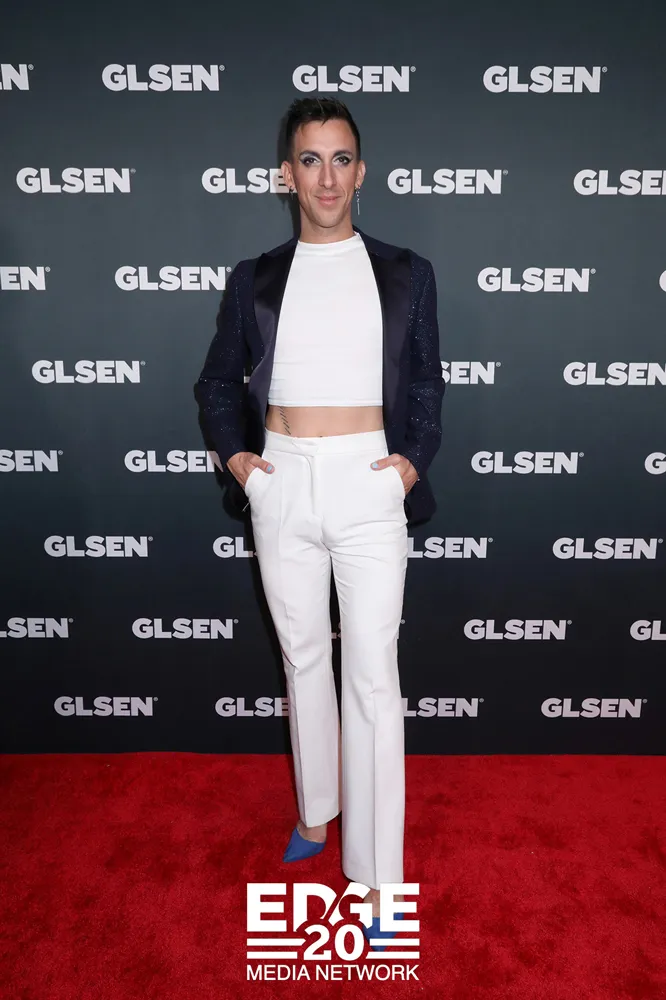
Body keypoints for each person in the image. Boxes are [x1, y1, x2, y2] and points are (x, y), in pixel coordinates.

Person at [194, 96, 444, 943]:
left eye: (341, 159)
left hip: (370, 480)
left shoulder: (408, 272)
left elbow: (426, 380)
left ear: (361, 172)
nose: (326, 178)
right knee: (303, 657)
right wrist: (241, 462)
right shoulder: (254, 277)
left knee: (372, 676)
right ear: (287, 175)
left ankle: (378, 880)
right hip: (283, 480)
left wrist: (414, 459)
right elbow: (216, 382)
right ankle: (315, 808)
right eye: (310, 159)